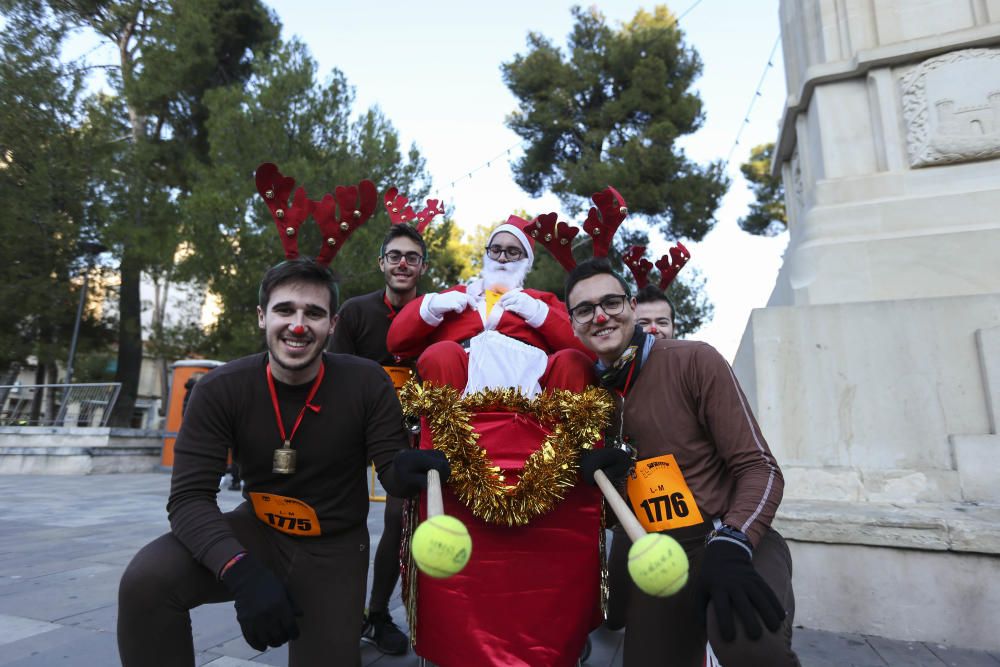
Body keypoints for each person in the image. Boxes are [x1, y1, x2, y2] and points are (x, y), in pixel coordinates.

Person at [117, 258, 448, 667]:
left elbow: (391, 470)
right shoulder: (220, 390)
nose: (298, 325)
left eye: (314, 313)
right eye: (284, 310)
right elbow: (188, 500)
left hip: (336, 547)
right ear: (262, 317)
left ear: (332, 324)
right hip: (259, 530)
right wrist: (239, 571)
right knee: (146, 582)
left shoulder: (367, 381)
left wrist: (408, 467)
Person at [567, 258, 800, 667]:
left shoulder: (694, 361)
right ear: (573, 324)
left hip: (725, 538)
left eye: (611, 302)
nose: (600, 315)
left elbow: (760, 468)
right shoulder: (583, 396)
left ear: (633, 306)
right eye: (585, 309)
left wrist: (735, 542)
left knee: (746, 641)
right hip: (654, 554)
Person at [328, 224, 427, 655]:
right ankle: (334, 612)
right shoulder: (353, 312)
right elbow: (332, 372)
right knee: (342, 515)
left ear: (422, 267)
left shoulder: (436, 313)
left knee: (398, 518)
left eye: (412, 257)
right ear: (381, 263)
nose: (402, 263)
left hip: (409, 434)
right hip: (356, 425)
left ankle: (376, 614)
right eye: (395, 256)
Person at [387, 217, 592, 395]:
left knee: (571, 360)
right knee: (440, 353)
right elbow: (397, 342)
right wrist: (430, 306)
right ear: (487, 255)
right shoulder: (457, 296)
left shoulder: (541, 300)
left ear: (527, 262)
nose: (502, 257)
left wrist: (540, 314)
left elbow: (588, 347)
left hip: (532, 396)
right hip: (458, 400)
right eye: (496, 250)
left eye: (513, 252)